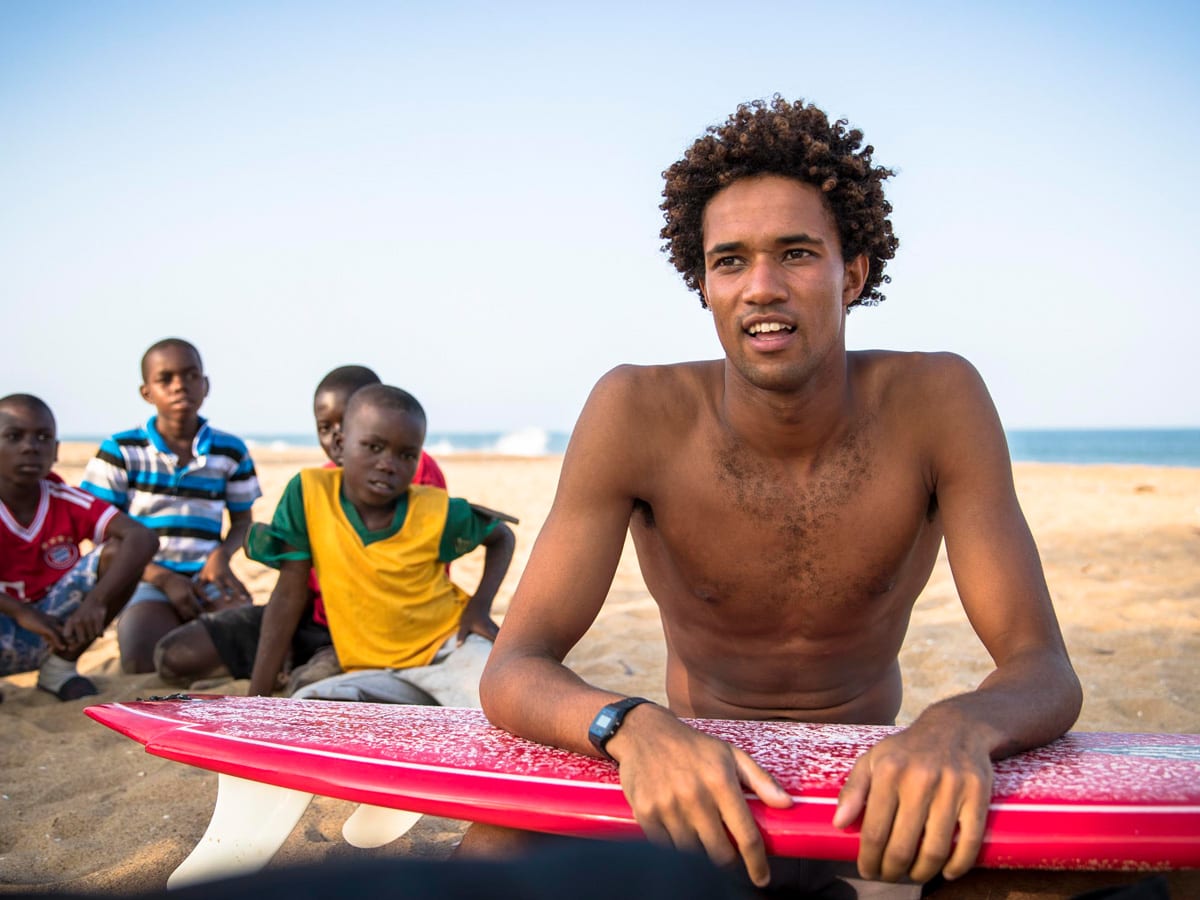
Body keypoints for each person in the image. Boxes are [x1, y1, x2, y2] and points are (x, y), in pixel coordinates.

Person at [474, 96, 1082, 895]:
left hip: (863, 791)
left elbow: (1043, 667)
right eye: (730, 261)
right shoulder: (635, 413)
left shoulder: (938, 401)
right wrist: (631, 726)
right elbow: (514, 666)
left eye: (796, 253)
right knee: (491, 850)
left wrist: (957, 726)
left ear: (852, 273)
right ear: (704, 287)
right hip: (696, 775)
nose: (761, 286)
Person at [154, 364, 449, 693]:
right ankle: (297, 660)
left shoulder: (407, 475)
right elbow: (293, 584)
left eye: (349, 421)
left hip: (376, 630)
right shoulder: (315, 487)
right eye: (325, 427)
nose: (336, 438)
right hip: (313, 618)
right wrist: (277, 651)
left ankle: (328, 665)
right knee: (174, 655)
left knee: (314, 691)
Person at [246, 384, 515, 707]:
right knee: (311, 703)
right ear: (340, 445)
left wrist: (479, 608)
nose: (389, 464)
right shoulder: (309, 493)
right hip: (368, 668)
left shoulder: (434, 509)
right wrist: (255, 702)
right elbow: (288, 594)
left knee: (498, 701)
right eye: (374, 447)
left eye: (406, 455)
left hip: (448, 650)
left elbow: (501, 536)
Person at [80, 338, 262, 674]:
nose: (180, 386)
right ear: (147, 392)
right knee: (142, 663)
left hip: (209, 575)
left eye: (191, 375)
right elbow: (100, 532)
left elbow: (242, 523)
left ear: (205, 385)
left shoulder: (230, 450)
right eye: (166, 379)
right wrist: (162, 578)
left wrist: (220, 557)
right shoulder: (120, 449)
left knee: (248, 641)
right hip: (144, 578)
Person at [0, 394, 158, 700]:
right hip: (9, 621)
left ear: (56, 451)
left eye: (43, 437)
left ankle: (59, 669)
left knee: (121, 553)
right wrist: (19, 611)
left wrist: (96, 601)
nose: (30, 447)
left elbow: (143, 537)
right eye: (14, 436)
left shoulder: (65, 499)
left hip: (56, 626)